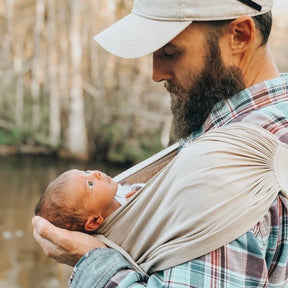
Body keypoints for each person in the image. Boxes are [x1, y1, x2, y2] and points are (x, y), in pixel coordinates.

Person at [32, 0, 288, 287]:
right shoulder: (276, 122)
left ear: (240, 35)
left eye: (170, 52)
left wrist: (92, 259)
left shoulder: (221, 171)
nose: (156, 74)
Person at [34, 169, 143, 233]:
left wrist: (138, 189)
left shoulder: (112, 194)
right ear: (94, 221)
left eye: (86, 172)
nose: (96, 173)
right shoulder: (121, 230)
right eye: (90, 184)